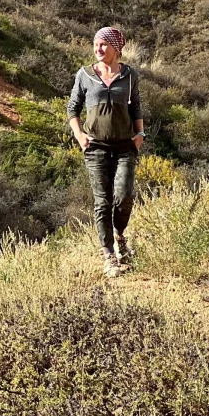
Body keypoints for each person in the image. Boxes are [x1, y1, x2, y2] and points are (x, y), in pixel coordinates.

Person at [67, 26, 144, 278]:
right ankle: (109, 255)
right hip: (96, 147)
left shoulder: (129, 75)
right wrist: (80, 136)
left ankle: (121, 236)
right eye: (96, 45)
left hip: (125, 146)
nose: (98, 49)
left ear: (116, 48)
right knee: (102, 202)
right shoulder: (85, 75)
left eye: (103, 45)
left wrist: (139, 135)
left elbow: (136, 108)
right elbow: (73, 109)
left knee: (124, 196)